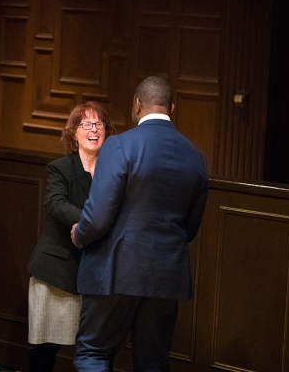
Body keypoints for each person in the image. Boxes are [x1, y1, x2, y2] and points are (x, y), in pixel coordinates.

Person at [70, 76, 208, 371]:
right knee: (153, 364)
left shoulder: (120, 145)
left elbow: (97, 217)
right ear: (172, 107)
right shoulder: (196, 157)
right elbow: (191, 228)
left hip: (116, 270)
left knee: (93, 354)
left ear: (136, 105)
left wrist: (79, 235)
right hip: (167, 275)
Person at [26, 101, 116, 372]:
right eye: (86, 124)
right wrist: (91, 222)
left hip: (98, 276)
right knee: (45, 353)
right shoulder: (60, 168)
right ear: (73, 133)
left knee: (97, 352)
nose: (93, 129)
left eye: (98, 124)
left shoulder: (114, 171)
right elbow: (55, 204)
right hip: (57, 274)